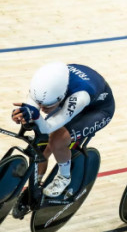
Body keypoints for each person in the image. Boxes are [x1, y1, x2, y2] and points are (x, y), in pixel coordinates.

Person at [11, 61, 115, 207]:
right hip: (69, 102)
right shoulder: (43, 85)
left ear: (60, 97)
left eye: (47, 106)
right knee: (41, 146)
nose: (42, 108)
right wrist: (22, 115)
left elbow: (48, 127)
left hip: (97, 110)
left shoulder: (80, 96)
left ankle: (64, 177)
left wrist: (35, 116)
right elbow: (32, 109)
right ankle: (36, 183)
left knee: (57, 141)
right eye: (40, 104)